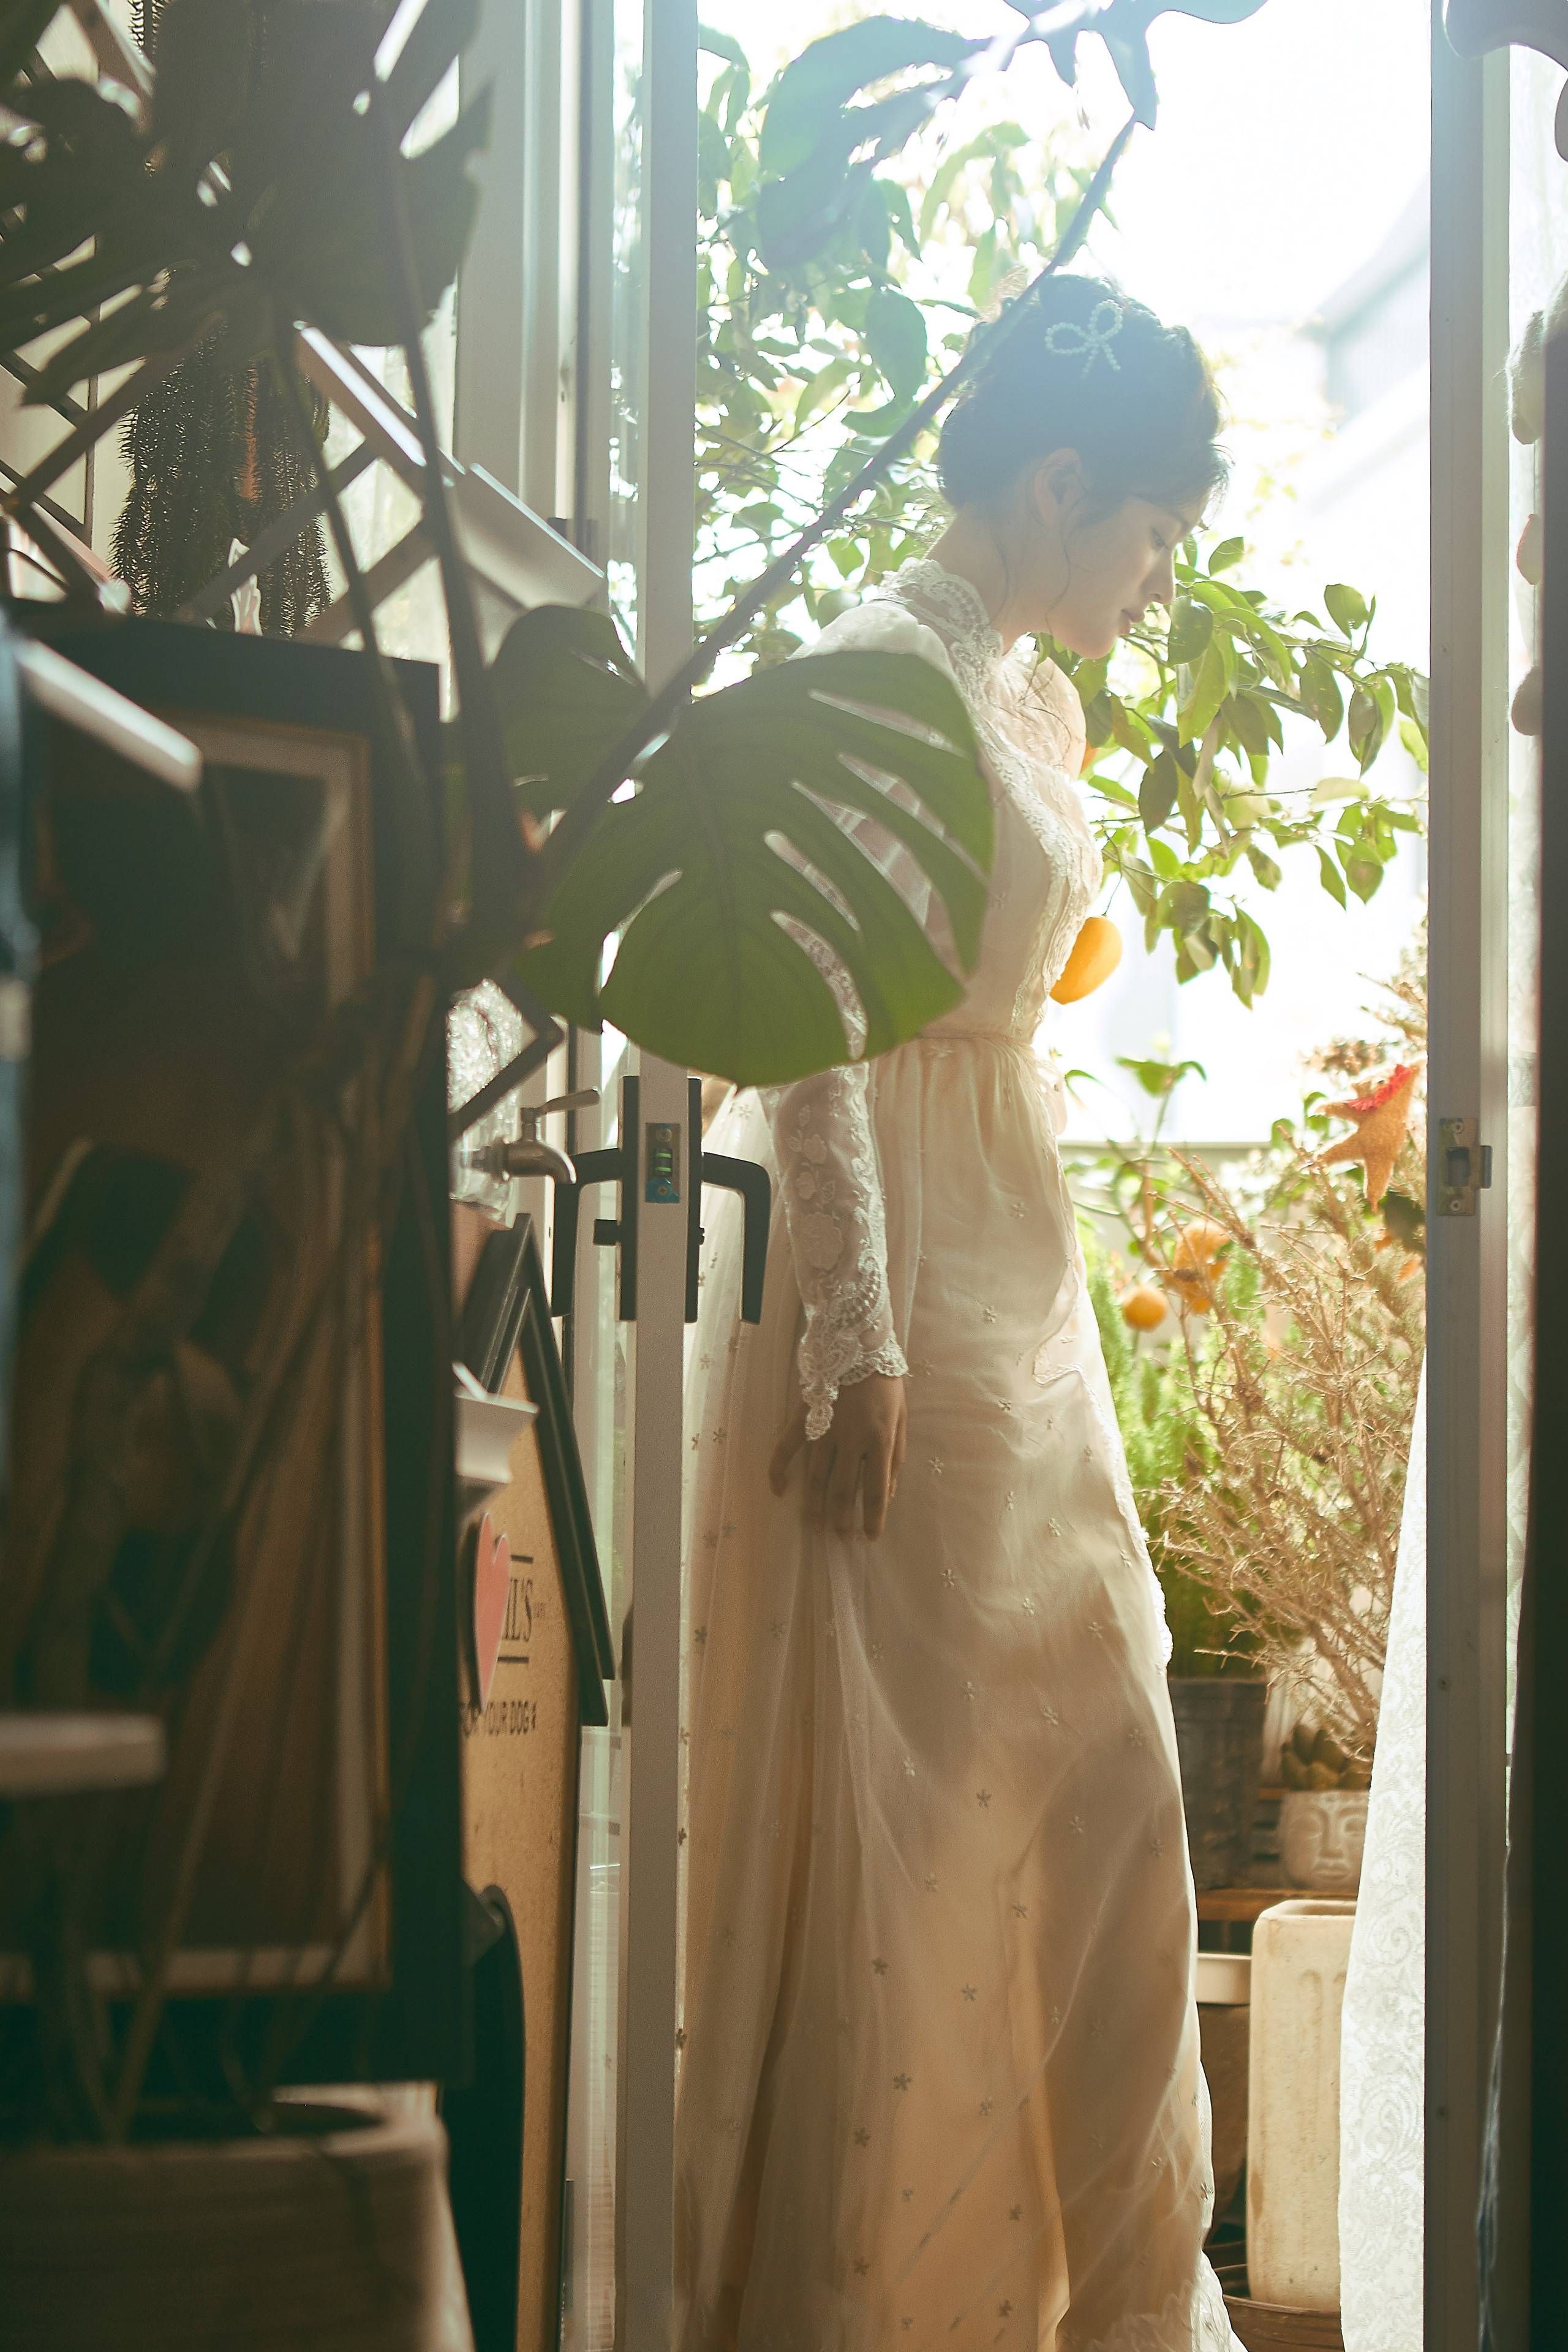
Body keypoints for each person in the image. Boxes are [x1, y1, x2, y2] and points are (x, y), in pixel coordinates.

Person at [676, 272, 1239, 2352]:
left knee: (1109, 1784)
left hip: (1020, 1267)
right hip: (900, 1268)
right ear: (1062, 482)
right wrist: (856, 1329)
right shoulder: (871, 668)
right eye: (1150, 534)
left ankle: (1112, 2307)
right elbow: (804, 1007)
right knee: (912, 1817)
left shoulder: (1034, 701)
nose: (1155, 581)